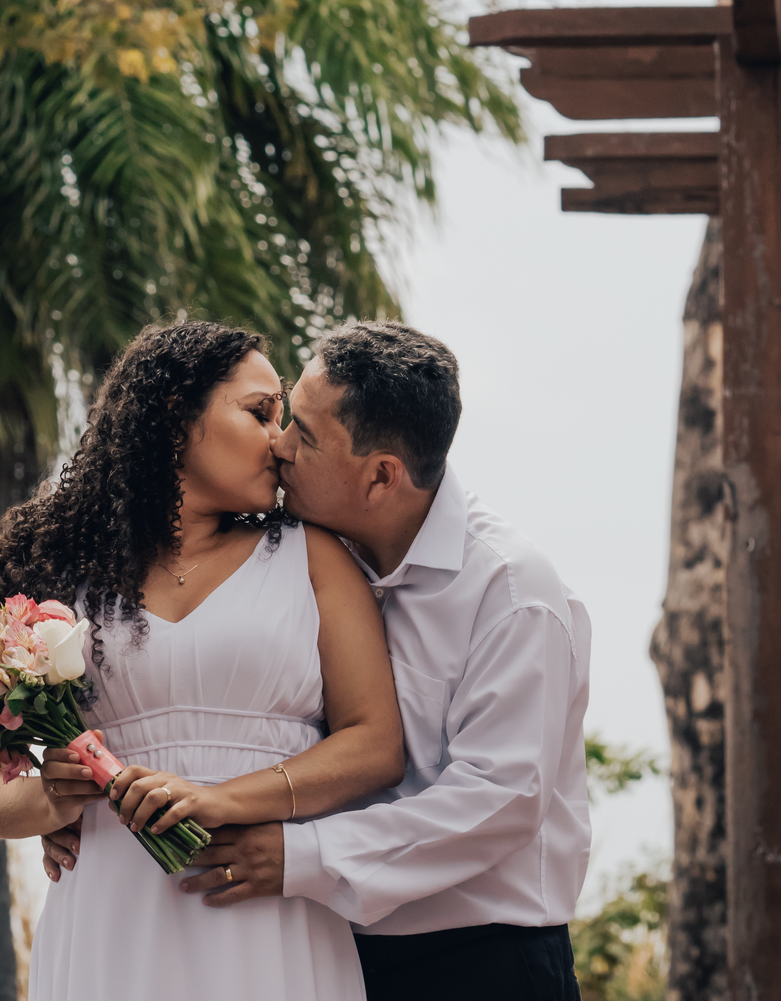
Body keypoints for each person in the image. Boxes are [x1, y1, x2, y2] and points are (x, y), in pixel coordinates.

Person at [43, 320, 591, 1001]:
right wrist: (68, 805)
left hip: (476, 960)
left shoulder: (511, 592)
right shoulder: (309, 555)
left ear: (380, 476)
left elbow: (501, 799)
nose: (279, 445)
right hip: (333, 946)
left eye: (301, 432)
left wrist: (296, 854)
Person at [0, 321, 405, 1001]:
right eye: (260, 412)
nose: (280, 441)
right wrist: (47, 799)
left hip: (265, 906)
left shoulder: (316, 559)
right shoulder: (57, 580)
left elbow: (375, 745)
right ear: (176, 413)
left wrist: (223, 800)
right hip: (109, 917)